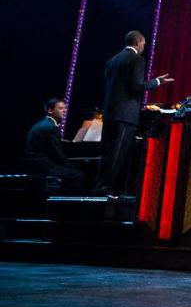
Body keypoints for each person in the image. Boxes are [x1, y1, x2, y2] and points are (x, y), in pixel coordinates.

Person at [93, 30, 174, 197]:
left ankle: (99, 187)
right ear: (138, 42)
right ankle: (105, 189)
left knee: (107, 153)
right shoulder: (137, 59)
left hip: (109, 113)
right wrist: (157, 81)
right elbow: (137, 86)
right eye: (143, 43)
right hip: (125, 115)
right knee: (118, 152)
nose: (144, 46)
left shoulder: (112, 60)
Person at [22, 98, 85, 193]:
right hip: (40, 163)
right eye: (60, 108)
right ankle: (66, 202)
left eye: (65, 108)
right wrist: (72, 166)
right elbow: (58, 154)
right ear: (50, 110)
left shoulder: (46, 124)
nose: (64, 110)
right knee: (77, 174)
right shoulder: (50, 127)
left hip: (36, 161)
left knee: (72, 172)